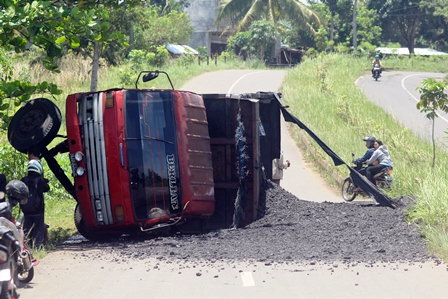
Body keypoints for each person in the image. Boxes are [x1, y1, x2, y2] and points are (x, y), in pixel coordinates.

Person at [21, 159, 50, 248]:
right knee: (38, 230)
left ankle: (26, 246)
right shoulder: (39, 180)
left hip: (26, 211)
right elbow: (47, 188)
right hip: (38, 211)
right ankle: (38, 246)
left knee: (26, 229)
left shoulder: (23, 180)